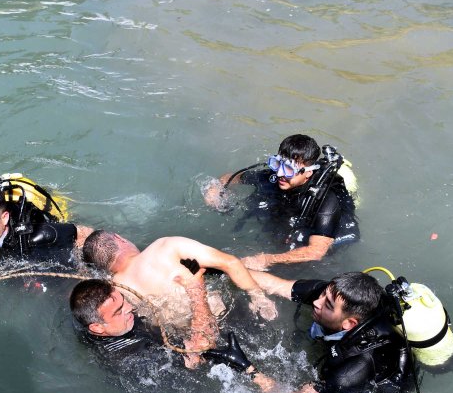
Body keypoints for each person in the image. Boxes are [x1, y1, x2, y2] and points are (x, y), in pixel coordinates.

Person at [203, 271, 414, 393]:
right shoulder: (330, 296)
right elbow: (276, 284)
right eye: (323, 293)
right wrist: (220, 267)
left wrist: (246, 368)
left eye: (327, 304)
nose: (316, 301)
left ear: (349, 323)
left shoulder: (350, 371)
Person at [202, 134, 359, 270]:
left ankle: (347, 175)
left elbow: (316, 252)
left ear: (308, 172)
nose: (280, 174)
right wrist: (215, 190)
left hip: (328, 227)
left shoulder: (325, 200)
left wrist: (267, 259)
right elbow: (231, 177)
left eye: (289, 170)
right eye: (278, 164)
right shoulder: (275, 176)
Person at [81, 230, 278, 327]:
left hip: (196, 340)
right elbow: (231, 263)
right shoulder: (164, 246)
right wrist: (260, 299)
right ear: (120, 239)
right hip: (230, 317)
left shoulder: (117, 293)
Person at [69, 271, 217, 369]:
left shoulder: (109, 325)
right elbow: (193, 360)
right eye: (118, 310)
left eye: (124, 300)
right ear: (97, 328)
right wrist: (197, 292)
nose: (130, 307)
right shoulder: (131, 358)